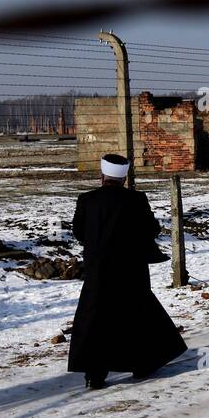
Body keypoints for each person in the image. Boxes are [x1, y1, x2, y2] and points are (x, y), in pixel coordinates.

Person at [67, 154, 187, 389]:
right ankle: (140, 364)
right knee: (135, 316)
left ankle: (95, 374)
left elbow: (79, 232)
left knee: (96, 320)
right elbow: (151, 229)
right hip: (130, 269)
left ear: (102, 176)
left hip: (98, 270)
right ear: (123, 179)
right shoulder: (136, 200)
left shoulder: (86, 200)